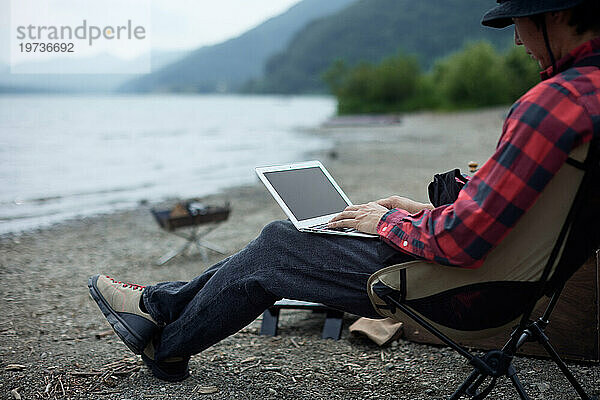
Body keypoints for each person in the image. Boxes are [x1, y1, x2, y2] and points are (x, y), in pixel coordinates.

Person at [88, 0, 600, 382]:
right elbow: (527, 220)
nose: (516, 40)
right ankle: (160, 309)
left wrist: (384, 222)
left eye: (519, 23)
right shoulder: (590, 96)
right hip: (520, 283)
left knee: (278, 243)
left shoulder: (554, 104)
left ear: (555, 16)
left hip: (463, 291)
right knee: (285, 239)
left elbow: (463, 241)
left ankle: (165, 342)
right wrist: (422, 211)